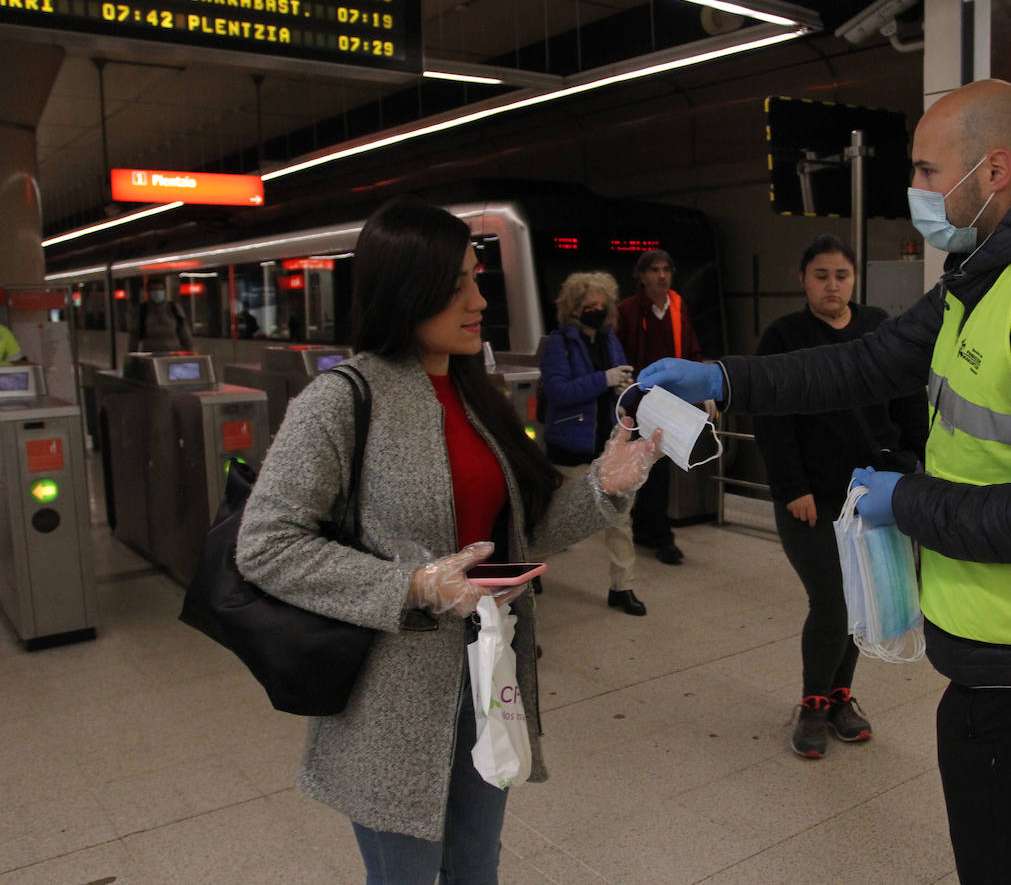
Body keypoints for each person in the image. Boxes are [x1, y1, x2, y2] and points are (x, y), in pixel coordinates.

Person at [639, 79, 1011, 883]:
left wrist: (906, 500)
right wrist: (726, 379)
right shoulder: (984, 278)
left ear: (995, 171)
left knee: (1010, 860)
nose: (916, 190)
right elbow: (866, 361)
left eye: (928, 169)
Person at [235, 195, 662, 884]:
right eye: (458, 281)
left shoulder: (476, 396)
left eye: (477, 277)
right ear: (407, 289)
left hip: (489, 677)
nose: (478, 298)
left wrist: (604, 487)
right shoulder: (341, 400)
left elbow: (520, 539)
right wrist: (413, 584)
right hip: (389, 701)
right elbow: (266, 544)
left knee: (476, 866)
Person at [753, 234, 926, 759]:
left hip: (873, 491)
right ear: (803, 279)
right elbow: (771, 417)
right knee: (831, 600)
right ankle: (812, 705)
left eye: (842, 276)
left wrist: (915, 464)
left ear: (855, 281)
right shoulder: (784, 336)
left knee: (862, 599)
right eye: (821, 275)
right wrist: (792, 487)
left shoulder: (878, 327)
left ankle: (840, 698)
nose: (832, 285)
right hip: (813, 495)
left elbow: (908, 398)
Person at [539, 271, 645, 616]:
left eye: (603, 304)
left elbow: (616, 383)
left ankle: (622, 586)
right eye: (590, 305)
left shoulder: (610, 340)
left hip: (608, 443)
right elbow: (557, 391)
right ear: (574, 307)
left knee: (619, 518)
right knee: (553, 516)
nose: (597, 310)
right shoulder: (558, 343)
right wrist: (603, 379)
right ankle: (530, 567)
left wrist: (621, 386)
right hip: (571, 445)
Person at [616, 248, 710, 566]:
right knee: (646, 469)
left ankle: (654, 531)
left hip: (671, 401)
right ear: (641, 276)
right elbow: (622, 353)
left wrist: (703, 385)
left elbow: (692, 351)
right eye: (654, 270)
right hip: (639, 402)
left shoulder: (678, 307)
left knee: (661, 468)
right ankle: (657, 533)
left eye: (666, 270)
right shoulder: (628, 311)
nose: (661, 276)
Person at [128, 282, 193, 351]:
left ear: (164, 291)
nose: (157, 292)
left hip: (173, 352)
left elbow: (184, 332)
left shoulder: (174, 308)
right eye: (153, 290)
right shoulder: (141, 311)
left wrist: (189, 350)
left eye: (160, 289)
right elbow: (133, 337)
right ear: (148, 292)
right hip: (150, 353)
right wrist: (132, 355)